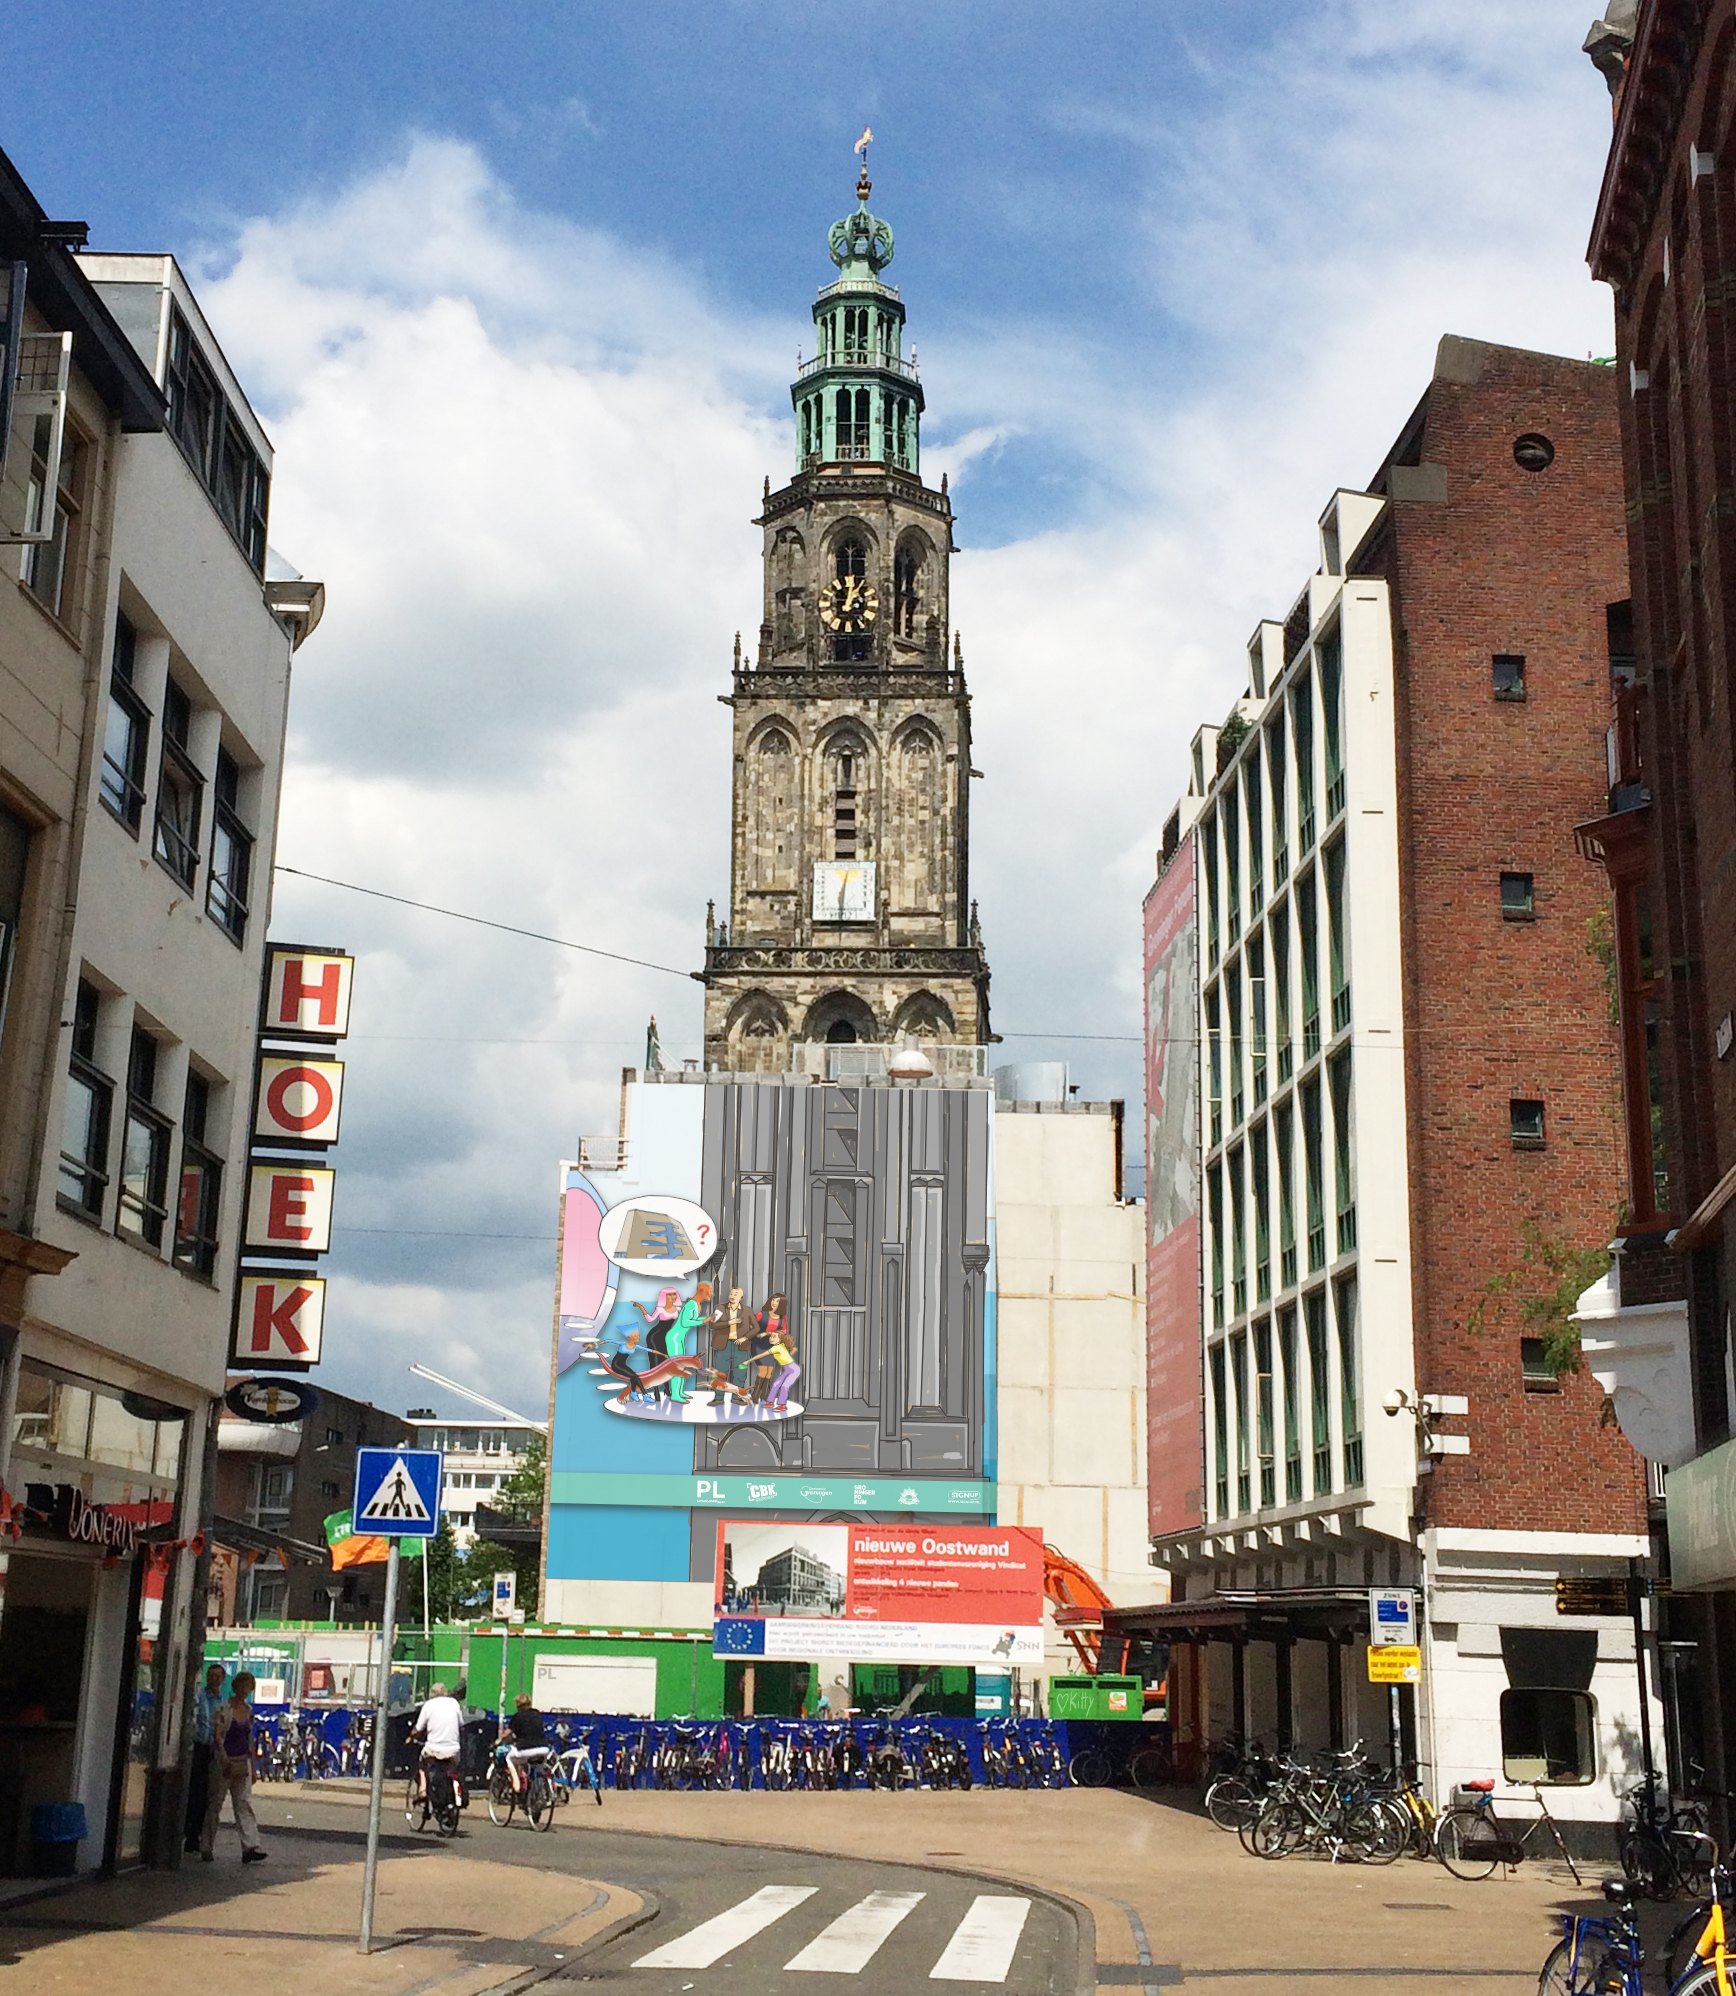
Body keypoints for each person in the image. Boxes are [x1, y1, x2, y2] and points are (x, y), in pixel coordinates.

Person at [204, 1670, 265, 1864]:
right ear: (236, 1687)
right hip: (225, 1761)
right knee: (216, 1803)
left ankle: (250, 1846)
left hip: (242, 1760)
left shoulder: (248, 1711)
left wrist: (253, 1767)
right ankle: (207, 1846)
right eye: (243, 1686)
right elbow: (218, 1735)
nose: (245, 1691)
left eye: (248, 1688)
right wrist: (223, 1757)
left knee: (243, 1803)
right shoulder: (224, 1709)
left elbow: (249, 1740)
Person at [184, 1662, 225, 1857]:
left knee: (209, 1793)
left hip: (213, 1750)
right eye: (211, 1675)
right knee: (195, 1792)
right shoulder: (199, 1697)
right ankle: (191, 1835)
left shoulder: (222, 1702)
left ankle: (199, 1834)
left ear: (222, 1679)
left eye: (217, 1676)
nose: (214, 1679)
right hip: (198, 1747)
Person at [412, 1679, 465, 1806]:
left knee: (422, 1764)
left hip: (433, 1749)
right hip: (453, 1750)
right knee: (451, 1768)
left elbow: (418, 1729)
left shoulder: (428, 1705)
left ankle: (423, 1790)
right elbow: (461, 1724)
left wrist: (410, 1737)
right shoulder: (454, 1703)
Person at [498, 1692, 551, 1794]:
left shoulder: (518, 1716)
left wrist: (499, 1740)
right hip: (543, 1748)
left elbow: (508, 1733)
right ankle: (537, 1790)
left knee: (509, 1758)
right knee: (537, 1767)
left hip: (525, 1748)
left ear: (518, 1705)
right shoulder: (537, 1714)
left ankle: (516, 1784)